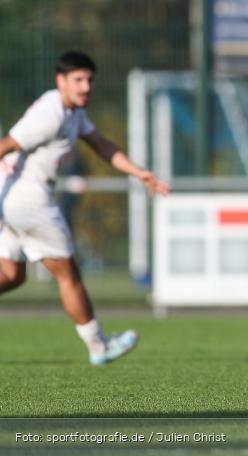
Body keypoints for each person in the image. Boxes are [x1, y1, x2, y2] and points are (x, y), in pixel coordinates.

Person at [0, 51, 170, 365]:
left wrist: (138, 172)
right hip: (27, 200)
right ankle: (99, 347)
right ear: (60, 81)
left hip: (12, 200)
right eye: (78, 80)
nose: (85, 87)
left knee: (12, 275)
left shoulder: (72, 112)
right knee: (68, 274)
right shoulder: (50, 114)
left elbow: (101, 144)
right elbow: (6, 146)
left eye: (89, 80)